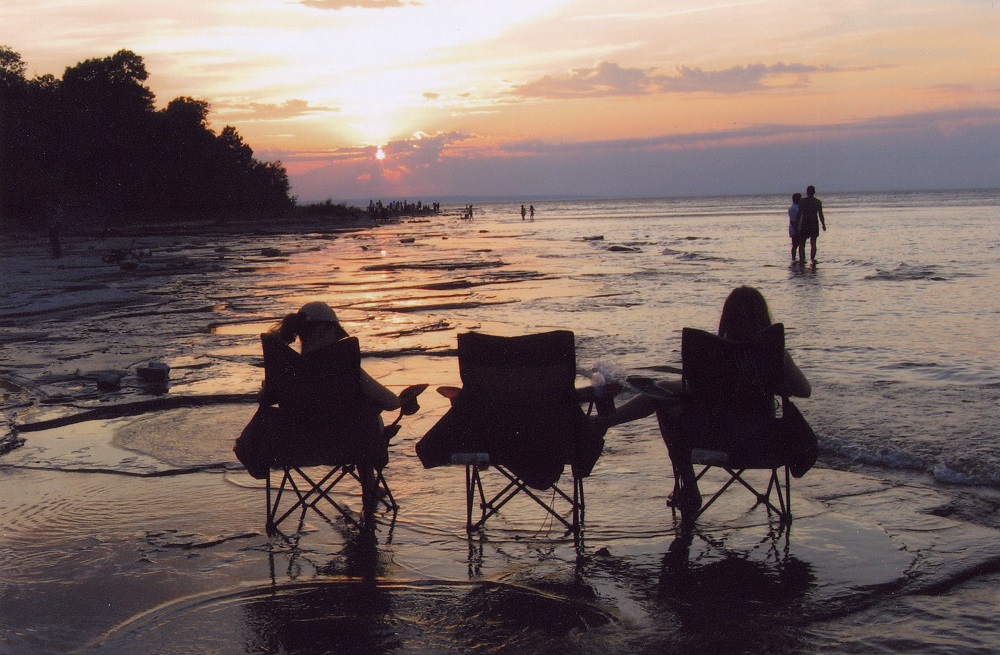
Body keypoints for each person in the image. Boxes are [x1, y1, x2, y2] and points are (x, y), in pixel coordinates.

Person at [594, 286, 811, 523]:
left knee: (664, 403)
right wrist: (773, 385)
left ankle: (688, 484)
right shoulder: (776, 356)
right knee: (665, 394)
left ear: (726, 318)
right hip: (762, 445)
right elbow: (804, 390)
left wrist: (661, 385)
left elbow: (685, 391)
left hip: (713, 440)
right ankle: (603, 423)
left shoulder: (712, 355)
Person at [267, 301, 400, 414]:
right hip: (344, 441)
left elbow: (265, 399)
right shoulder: (342, 367)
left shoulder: (288, 371)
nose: (337, 340)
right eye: (336, 334)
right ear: (322, 329)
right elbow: (392, 402)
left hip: (304, 441)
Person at [797, 185, 826, 263]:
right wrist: (823, 224)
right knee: (813, 243)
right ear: (814, 192)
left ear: (807, 192)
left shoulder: (802, 201)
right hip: (814, 223)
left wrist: (796, 224)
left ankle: (802, 260)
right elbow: (820, 214)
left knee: (802, 243)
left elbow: (799, 214)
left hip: (805, 223)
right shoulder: (817, 202)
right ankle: (812, 259)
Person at [788, 192, 802, 263]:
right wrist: (796, 230)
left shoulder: (798, 207)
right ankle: (793, 259)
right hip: (795, 229)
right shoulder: (793, 208)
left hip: (799, 228)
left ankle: (798, 259)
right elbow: (793, 221)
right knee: (795, 245)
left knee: (799, 245)